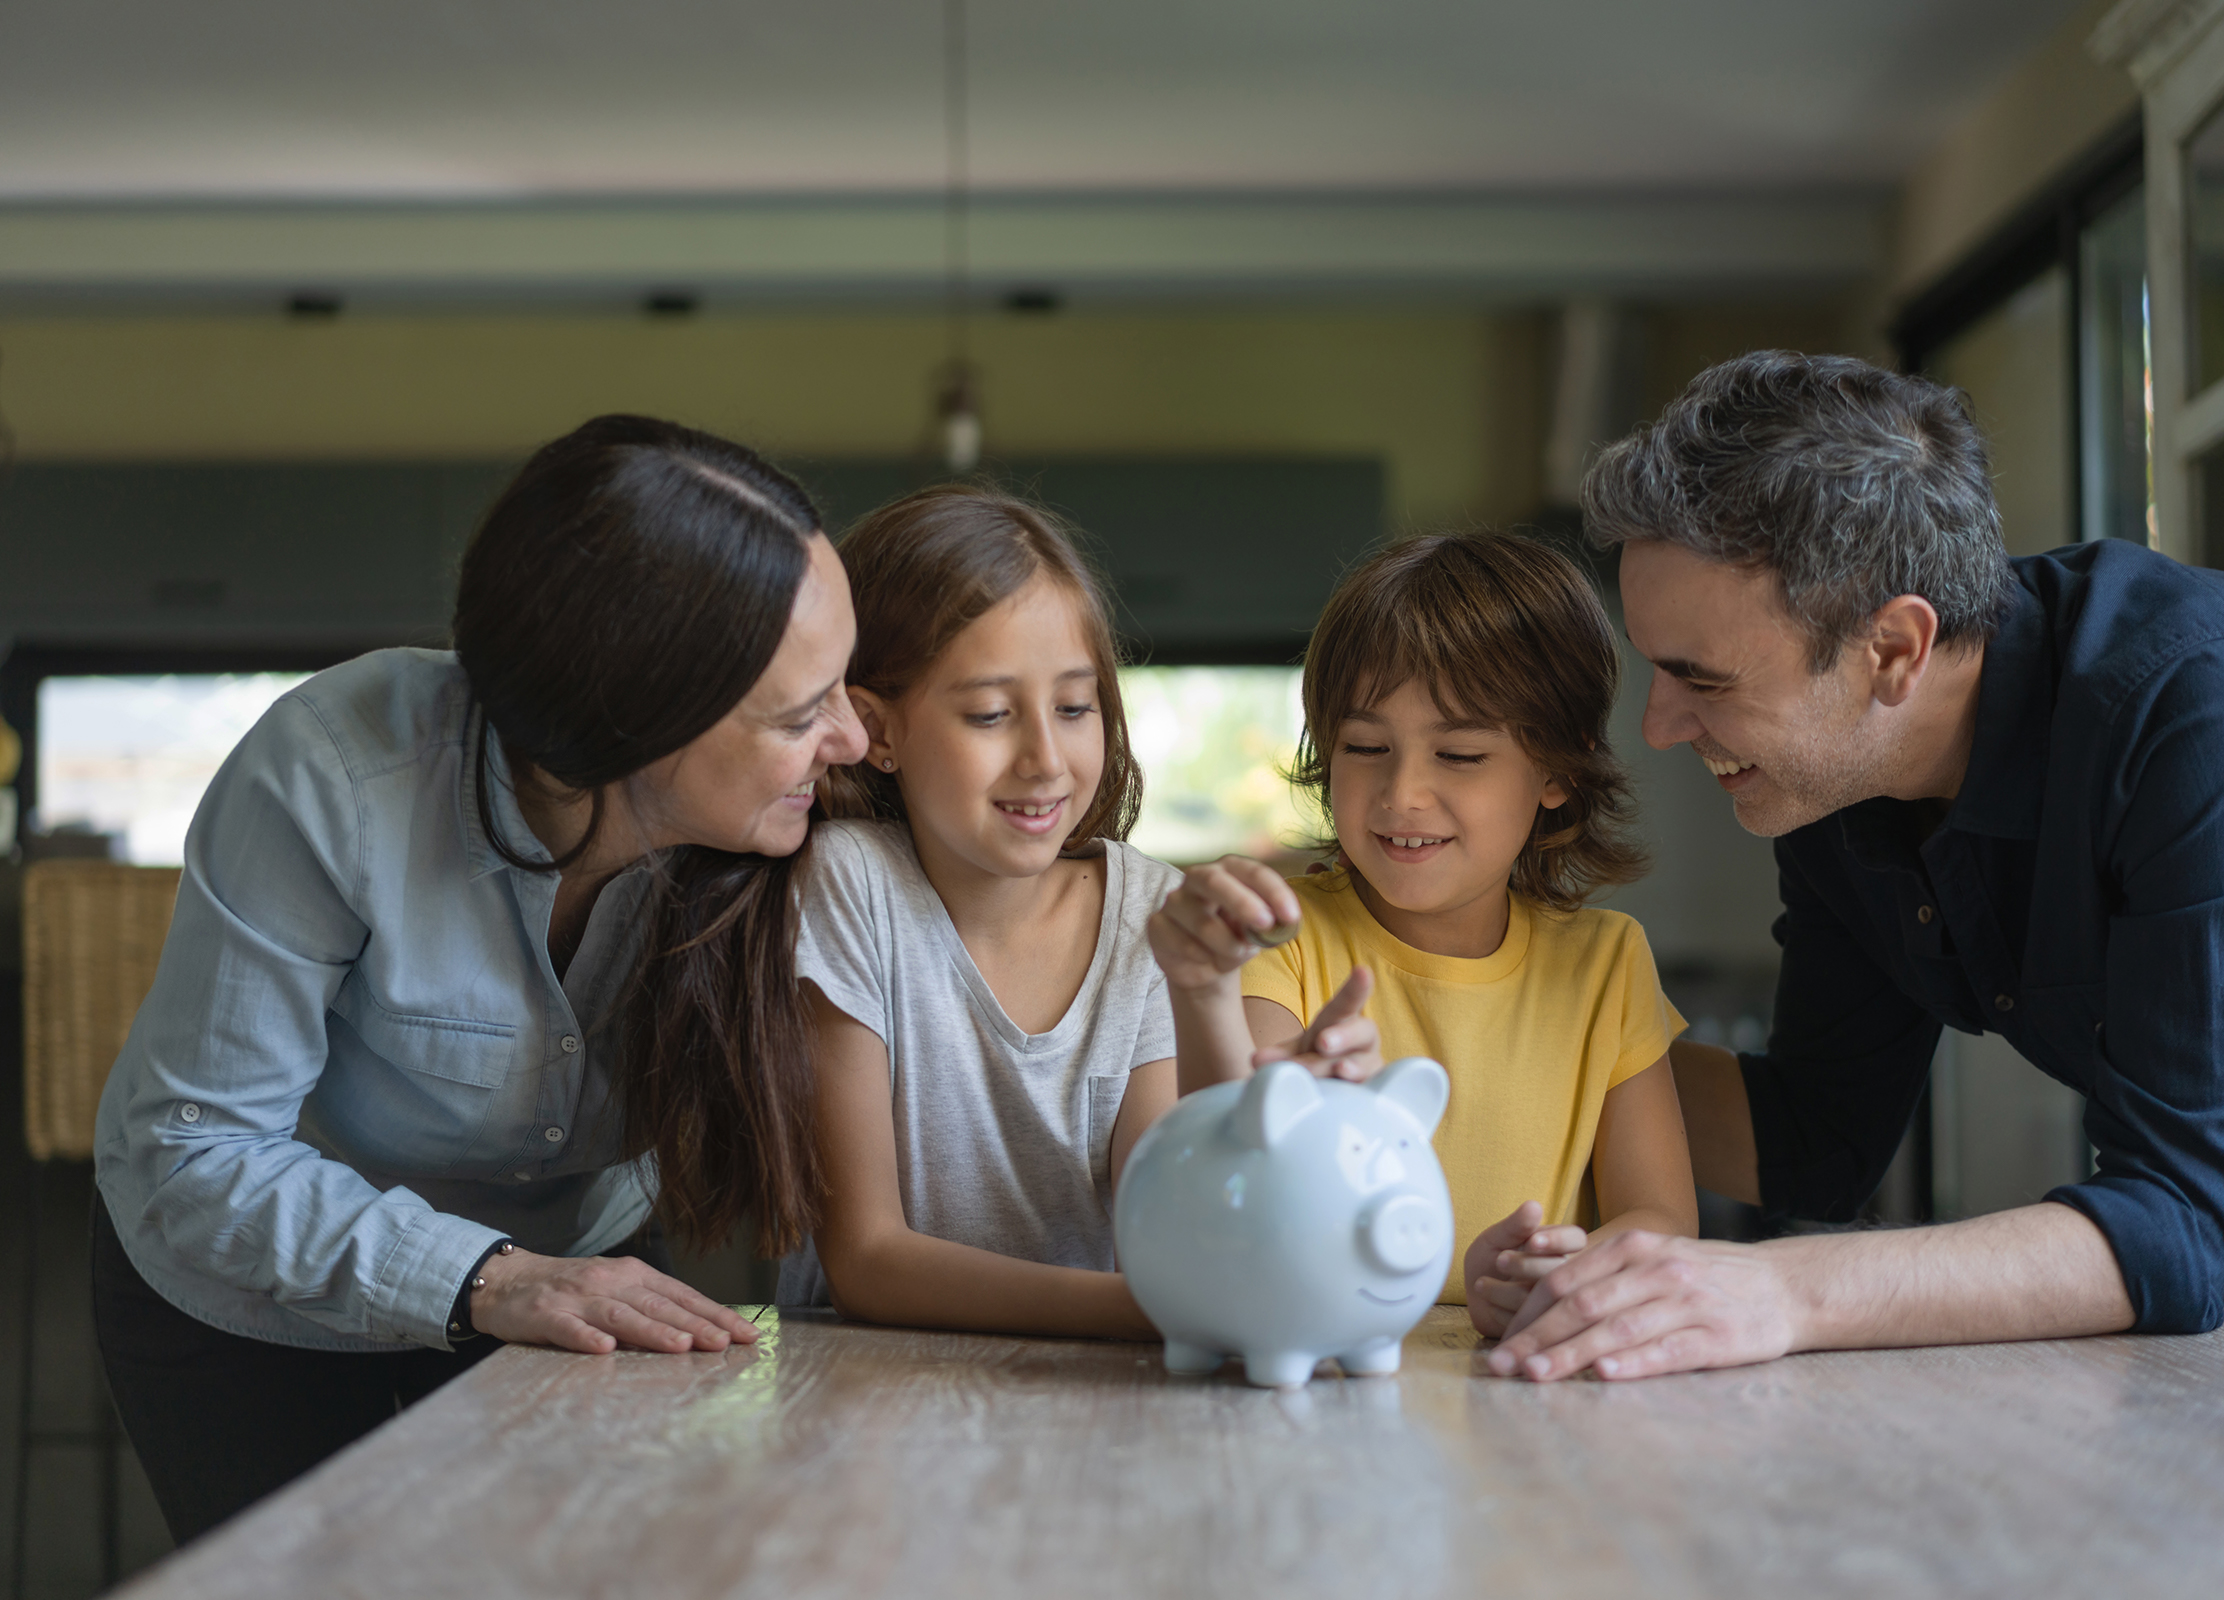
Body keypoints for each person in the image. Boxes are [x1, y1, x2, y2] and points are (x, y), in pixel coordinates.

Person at [1490, 351, 2224, 1382]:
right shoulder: (1836, 783)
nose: (1657, 726)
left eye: (1703, 677)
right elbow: (1818, 1139)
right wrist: (1498, 1027)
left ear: (1893, 650)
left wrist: (1776, 1287)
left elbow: (2182, 1220)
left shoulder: (2204, 712)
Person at [91, 415, 870, 1540]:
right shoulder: (337, 774)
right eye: (804, 713)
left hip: (578, 1263)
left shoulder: (777, 828)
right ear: (630, 727)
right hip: (256, 1300)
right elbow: (194, 1150)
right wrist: (490, 1278)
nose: (849, 737)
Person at [784, 488, 1381, 1337]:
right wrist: (1157, 1313)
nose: (1046, 758)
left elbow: (1165, 1215)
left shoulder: (1152, 909)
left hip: (1086, 1405)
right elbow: (868, 1262)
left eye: (1074, 707)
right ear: (879, 730)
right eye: (990, 713)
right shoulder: (849, 885)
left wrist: (1260, 1114)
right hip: (867, 1402)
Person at [1151, 530, 1697, 1329]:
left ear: (1557, 770)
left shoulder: (1607, 964)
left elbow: (1663, 1221)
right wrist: (1287, 1091)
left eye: (1460, 754)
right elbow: (1229, 1185)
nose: (1401, 793)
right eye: (1366, 746)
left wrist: (1549, 1272)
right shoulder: (1283, 939)